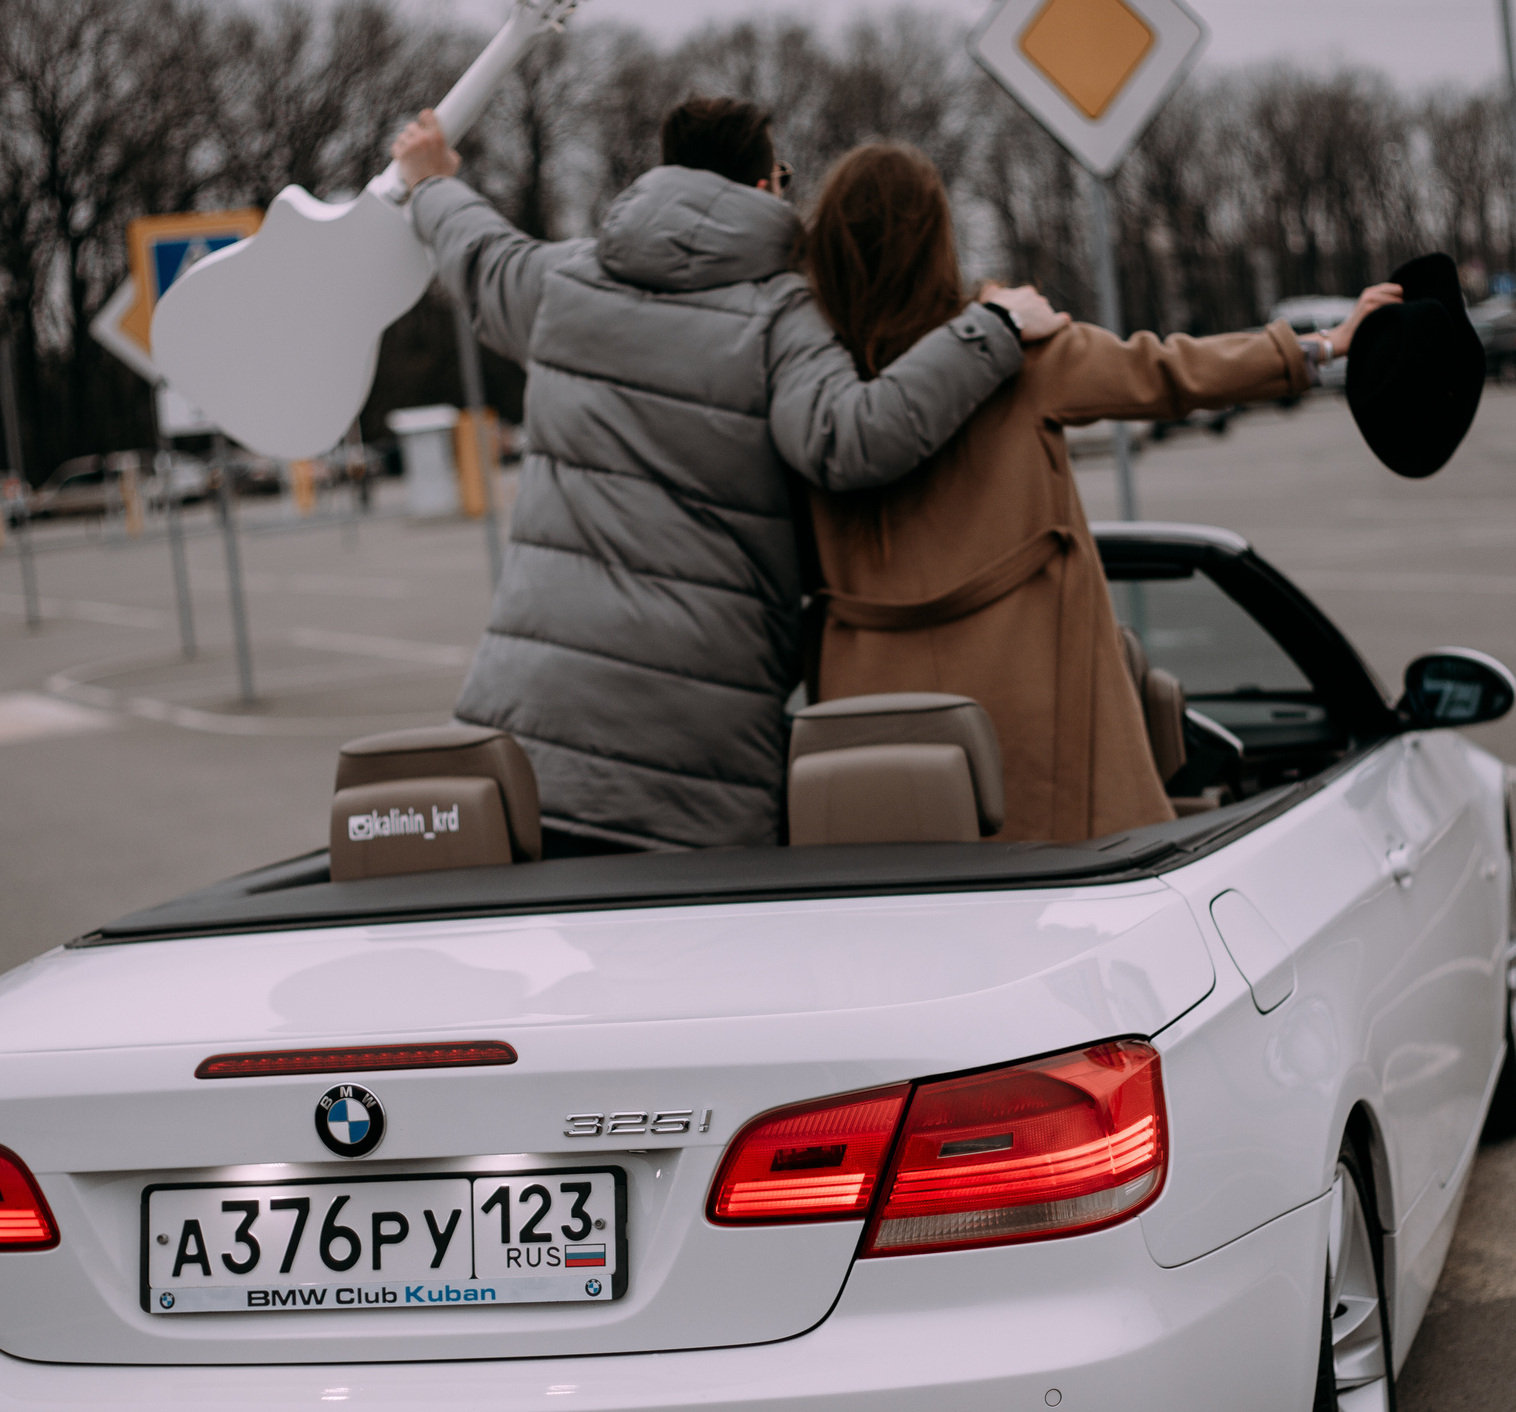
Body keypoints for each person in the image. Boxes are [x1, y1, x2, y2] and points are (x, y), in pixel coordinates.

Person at [390, 98, 1066, 855]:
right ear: (766, 184)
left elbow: (478, 251)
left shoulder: (564, 283)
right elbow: (849, 438)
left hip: (529, 748)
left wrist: (430, 180)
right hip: (690, 763)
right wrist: (993, 329)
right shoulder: (781, 314)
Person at [796, 143, 1398, 844]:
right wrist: (1320, 345)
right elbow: (1168, 372)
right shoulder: (1016, 353)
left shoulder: (812, 393)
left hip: (862, 712)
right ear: (938, 243)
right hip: (1025, 702)